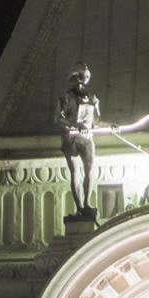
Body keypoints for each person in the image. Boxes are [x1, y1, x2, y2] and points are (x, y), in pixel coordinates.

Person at [56, 61, 101, 220]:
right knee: (75, 171)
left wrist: (111, 125)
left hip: (87, 138)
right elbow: (59, 119)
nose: (81, 81)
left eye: (84, 77)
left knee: (90, 168)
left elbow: (96, 121)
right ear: (74, 78)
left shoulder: (91, 99)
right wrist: (76, 124)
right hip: (72, 138)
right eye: (80, 77)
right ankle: (80, 207)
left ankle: (87, 203)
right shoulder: (66, 97)